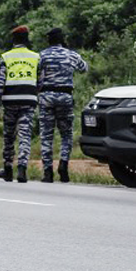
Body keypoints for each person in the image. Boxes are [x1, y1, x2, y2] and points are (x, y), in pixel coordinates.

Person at [35, 27, 90, 182]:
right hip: (65, 96)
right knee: (66, 134)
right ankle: (63, 165)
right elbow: (84, 68)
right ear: (62, 39)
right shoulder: (71, 55)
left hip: (46, 97)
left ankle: (47, 172)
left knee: (46, 135)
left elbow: (35, 73)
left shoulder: (42, 55)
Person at [0, 25, 40, 183]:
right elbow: (41, 81)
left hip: (10, 101)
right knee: (25, 135)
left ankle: (7, 168)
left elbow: (0, 84)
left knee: (9, 136)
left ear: (13, 40)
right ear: (27, 39)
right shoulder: (36, 57)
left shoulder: (6, 57)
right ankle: (22, 169)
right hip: (28, 101)